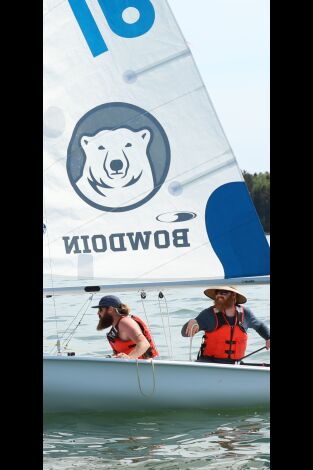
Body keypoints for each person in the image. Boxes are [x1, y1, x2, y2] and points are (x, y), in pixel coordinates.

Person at [182, 286, 270, 364]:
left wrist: (268, 337)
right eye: (217, 293)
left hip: (235, 365)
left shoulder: (246, 314)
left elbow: (259, 326)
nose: (219, 295)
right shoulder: (208, 314)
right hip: (209, 364)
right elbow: (185, 333)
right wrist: (192, 322)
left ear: (234, 295)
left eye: (223, 293)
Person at [93, 295, 159, 359]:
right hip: (131, 367)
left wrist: (129, 358)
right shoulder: (117, 326)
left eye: (100, 310)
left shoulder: (125, 322)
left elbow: (144, 344)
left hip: (143, 367)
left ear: (110, 309)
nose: (98, 313)